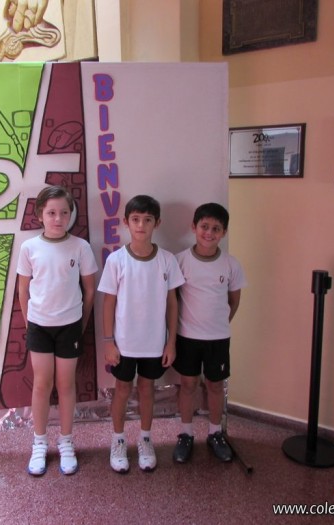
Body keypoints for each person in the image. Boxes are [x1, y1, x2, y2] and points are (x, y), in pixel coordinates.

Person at [98, 195, 185, 473]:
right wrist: (109, 342)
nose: (141, 225)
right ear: (126, 222)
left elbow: (173, 303)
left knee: (148, 389)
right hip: (124, 344)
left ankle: (146, 440)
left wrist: (171, 342)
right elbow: (108, 303)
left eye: (147, 220)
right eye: (135, 219)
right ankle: (118, 440)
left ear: (156, 223)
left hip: (154, 343)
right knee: (123, 389)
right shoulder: (117, 260)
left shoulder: (167, 260)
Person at [17, 185, 98, 476]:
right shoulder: (29, 248)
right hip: (39, 326)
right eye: (51, 213)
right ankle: (39, 443)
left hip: (70, 326)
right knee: (42, 384)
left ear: (71, 215)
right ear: (40, 214)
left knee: (65, 385)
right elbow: (23, 290)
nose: (58, 218)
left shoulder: (80, 247)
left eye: (64, 213)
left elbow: (90, 290)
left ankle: (66, 441)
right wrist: (30, 323)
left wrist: (82, 323)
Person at [172, 203, 246, 463]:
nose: (209, 233)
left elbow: (234, 301)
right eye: (204, 226)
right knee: (188, 385)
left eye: (216, 228)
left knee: (215, 385)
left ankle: (215, 433)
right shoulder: (180, 261)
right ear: (194, 227)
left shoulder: (231, 264)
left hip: (218, 338)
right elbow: (172, 300)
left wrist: (219, 325)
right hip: (187, 337)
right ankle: (186, 434)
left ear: (223, 232)